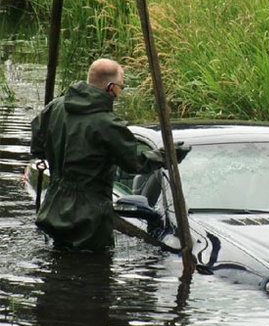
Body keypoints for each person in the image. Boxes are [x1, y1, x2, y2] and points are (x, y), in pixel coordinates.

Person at [30, 58, 179, 252]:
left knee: (57, 265)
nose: (120, 92)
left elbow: (38, 148)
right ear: (111, 88)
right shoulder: (108, 124)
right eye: (120, 87)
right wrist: (164, 157)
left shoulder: (55, 107)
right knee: (93, 273)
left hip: (53, 207)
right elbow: (134, 163)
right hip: (89, 217)